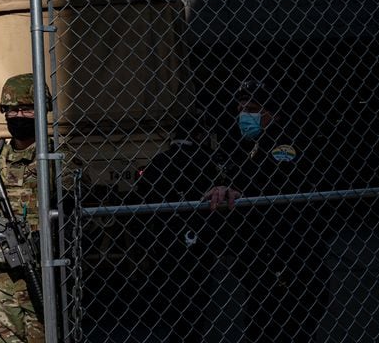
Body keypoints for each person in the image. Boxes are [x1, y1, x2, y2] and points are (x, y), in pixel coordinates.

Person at [205, 78, 331, 342]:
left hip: (290, 249)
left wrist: (242, 190)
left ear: (270, 112)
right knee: (261, 317)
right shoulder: (246, 145)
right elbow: (229, 169)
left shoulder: (286, 141)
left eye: (250, 109)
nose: (243, 116)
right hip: (264, 250)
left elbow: (277, 179)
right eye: (240, 109)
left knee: (289, 320)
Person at [0, 73, 87, 343]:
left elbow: (75, 189)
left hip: (42, 274)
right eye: (12, 109)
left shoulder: (55, 158)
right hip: (0, 281)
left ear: (42, 110)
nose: (18, 115)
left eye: (27, 108)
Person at [135, 116, 238, 342]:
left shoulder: (161, 160)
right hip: (199, 233)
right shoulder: (206, 160)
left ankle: (177, 330)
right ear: (199, 136)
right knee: (197, 292)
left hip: (166, 234)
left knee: (172, 291)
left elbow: (141, 195)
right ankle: (191, 331)